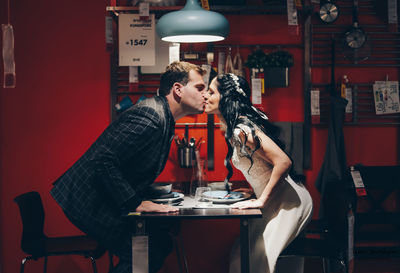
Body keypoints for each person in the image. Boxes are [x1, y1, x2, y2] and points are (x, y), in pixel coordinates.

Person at [50, 61, 207, 273]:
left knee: (161, 242)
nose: (205, 94)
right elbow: (102, 160)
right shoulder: (151, 115)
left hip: (104, 199)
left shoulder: (163, 117)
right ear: (178, 89)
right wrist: (136, 203)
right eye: (199, 88)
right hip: (88, 201)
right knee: (146, 251)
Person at [204, 73, 313, 273]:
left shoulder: (241, 129)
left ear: (226, 97)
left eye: (211, 92)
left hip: (288, 202)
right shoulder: (235, 126)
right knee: (241, 255)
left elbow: (283, 162)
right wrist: (257, 186)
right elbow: (265, 165)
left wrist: (261, 200)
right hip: (276, 198)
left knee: (258, 260)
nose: (205, 96)